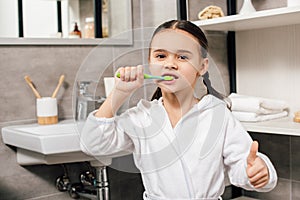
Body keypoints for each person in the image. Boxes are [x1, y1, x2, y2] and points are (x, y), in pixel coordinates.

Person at [80, 20, 277, 200]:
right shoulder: (141, 117)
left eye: (182, 57)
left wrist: (257, 172)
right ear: (150, 63)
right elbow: (93, 144)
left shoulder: (217, 114)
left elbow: (243, 166)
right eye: (160, 55)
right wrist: (118, 93)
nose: (170, 64)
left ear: (202, 66)